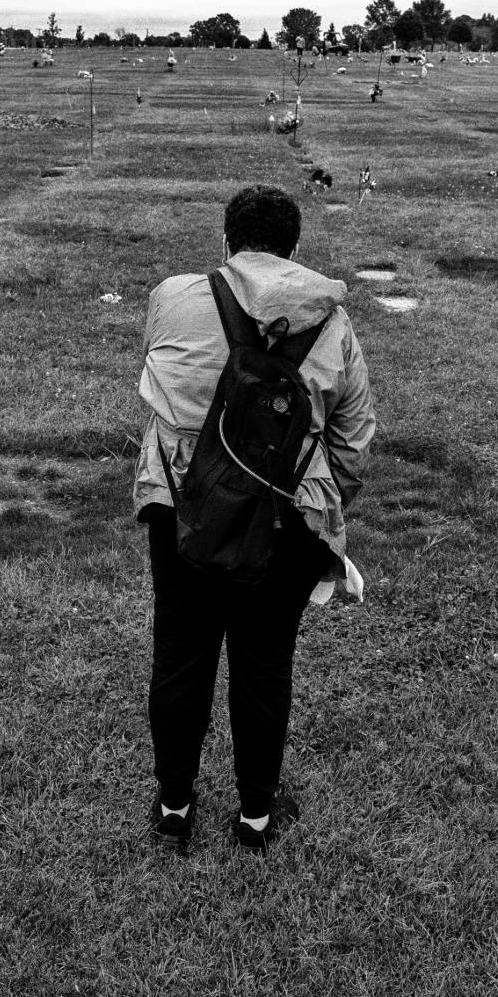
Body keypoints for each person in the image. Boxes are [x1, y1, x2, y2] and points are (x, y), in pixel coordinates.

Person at [134, 185, 377, 853]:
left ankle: (176, 805)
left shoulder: (173, 297)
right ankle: (255, 816)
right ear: (295, 250)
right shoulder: (330, 321)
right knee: (264, 664)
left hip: (182, 508)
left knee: (181, 658)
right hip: (288, 517)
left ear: (226, 243)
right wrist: (321, 505)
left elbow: (163, 387)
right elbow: (354, 440)